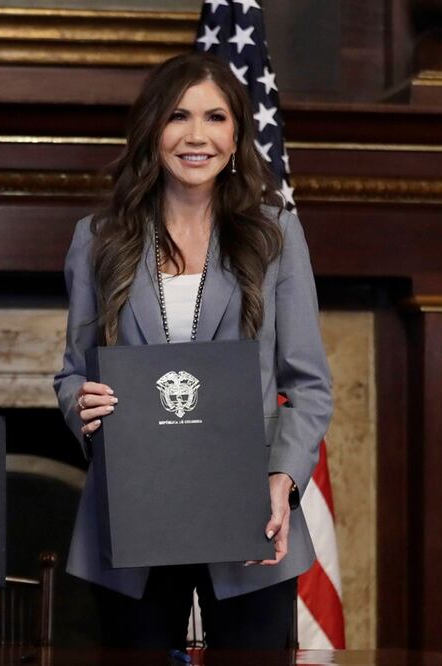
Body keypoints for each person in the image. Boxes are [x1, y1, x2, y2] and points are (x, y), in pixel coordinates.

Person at [53, 52, 333, 650]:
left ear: (237, 137)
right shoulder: (98, 238)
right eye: (178, 116)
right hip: (133, 509)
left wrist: (281, 480)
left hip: (250, 508)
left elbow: (308, 382)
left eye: (216, 118)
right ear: (152, 130)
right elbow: (74, 373)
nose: (196, 136)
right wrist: (85, 404)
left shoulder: (275, 232)